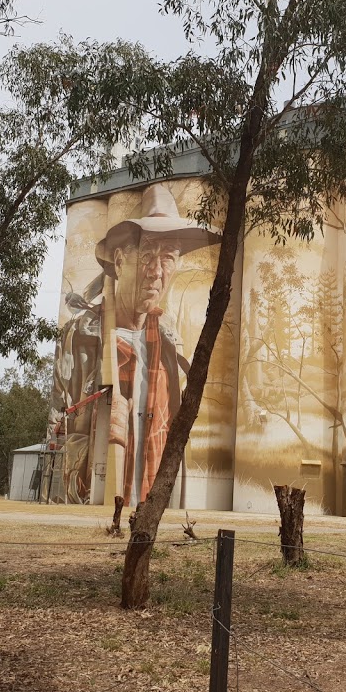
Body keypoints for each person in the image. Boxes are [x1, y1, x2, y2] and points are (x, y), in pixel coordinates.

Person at [95, 184, 221, 506]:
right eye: (147, 255)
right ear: (121, 261)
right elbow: (69, 435)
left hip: (156, 502)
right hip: (106, 495)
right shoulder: (85, 338)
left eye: (168, 258)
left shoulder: (169, 344)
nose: (156, 272)